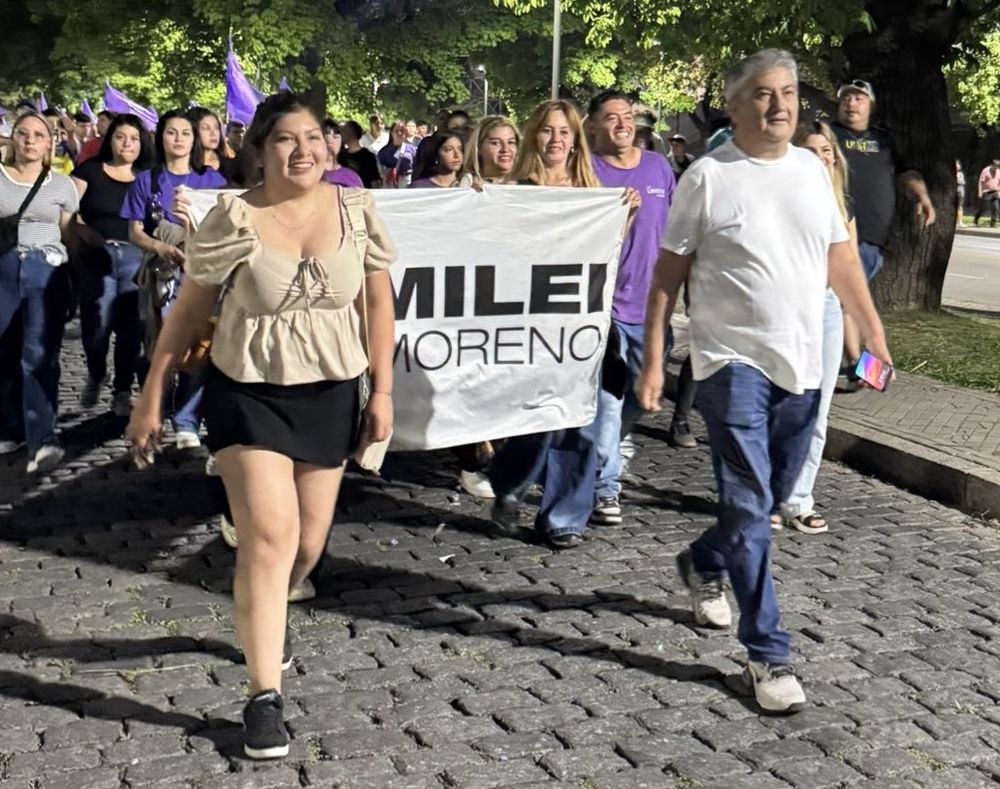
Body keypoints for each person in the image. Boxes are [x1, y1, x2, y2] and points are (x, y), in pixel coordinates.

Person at [127, 91, 396, 760]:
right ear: (260, 148)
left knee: (305, 548)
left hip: (332, 389)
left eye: (314, 136)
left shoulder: (357, 209)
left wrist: (384, 390)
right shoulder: (233, 216)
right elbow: (188, 311)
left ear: (330, 144)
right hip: (247, 390)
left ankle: (254, 557)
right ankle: (262, 696)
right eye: (285, 138)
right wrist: (153, 391)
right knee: (272, 541)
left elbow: (379, 301)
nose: (303, 149)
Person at [636, 50, 892, 714]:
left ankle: (702, 560)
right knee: (750, 506)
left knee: (769, 501)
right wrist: (657, 357)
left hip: (801, 363)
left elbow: (841, 258)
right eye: (762, 94)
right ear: (734, 103)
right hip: (730, 364)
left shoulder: (812, 170)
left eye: (788, 93)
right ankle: (768, 654)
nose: (779, 105)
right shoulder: (708, 177)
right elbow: (667, 276)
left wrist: (873, 334)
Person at [488, 99, 636, 549]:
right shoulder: (518, 189)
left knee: (582, 419)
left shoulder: (594, 193)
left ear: (575, 140)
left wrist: (623, 216)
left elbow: (606, 249)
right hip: (533, 320)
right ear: (536, 136)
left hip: (584, 319)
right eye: (548, 131)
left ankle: (564, 516)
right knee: (538, 415)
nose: (556, 139)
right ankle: (509, 481)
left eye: (564, 132)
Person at [586, 90, 675, 527]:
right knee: (607, 399)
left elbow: (678, 228)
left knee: (641, 399)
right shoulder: (586, 170)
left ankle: (611, 444)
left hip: (654, 307)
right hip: (605, 307)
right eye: (610, 117)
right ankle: (606, 488)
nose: (622, 123)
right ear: (593, 126)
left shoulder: (659, 166)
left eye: (627, 116)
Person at [122, 109, 227, 450]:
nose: (178, 139)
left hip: (203, 273)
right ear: (161, 137)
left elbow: (229, 228)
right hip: (163, 276)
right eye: (171, 132)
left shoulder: (213, 181)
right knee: (165, 345)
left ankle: (187, 420)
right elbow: (135, 230)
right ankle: (157, 408)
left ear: (195, 140)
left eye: (185, 132)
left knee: (199, 345)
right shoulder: (146, 181)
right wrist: (160, 246)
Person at [777, 120, 856, 535]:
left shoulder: (843, 205)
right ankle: (770, 494)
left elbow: (850, 271)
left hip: (825, 309)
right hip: (786, 308)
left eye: (827, 151)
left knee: (817, 410)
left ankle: (798, 498)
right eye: (811, 151)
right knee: (781, 403)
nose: (822, 158)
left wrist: (862, 337)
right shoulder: (783, 198)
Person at [831, 79, 934, 383]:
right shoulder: (827, 136)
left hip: (876, 240)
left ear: (871, 105)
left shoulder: (884, 141)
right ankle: (862, 369)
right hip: (841, 235)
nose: (852, 102)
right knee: (848, 300)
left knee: (847, 302)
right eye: (846, 97)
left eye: (859, 98)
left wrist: (922, 196)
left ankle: (857, 368)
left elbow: (905, 172)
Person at [0, 111, 80, 473]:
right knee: (5, 350)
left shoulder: (61, 185)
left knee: (38, 352)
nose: (30, 140)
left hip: (46, 270)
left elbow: (70, 234)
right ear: (12, 138)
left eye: (38, 135)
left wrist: (73, 278)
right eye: (23, 133)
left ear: (50, 143)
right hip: (4, 270)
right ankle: (10, 426)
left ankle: (43, 437)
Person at [71, 113, 153, 415]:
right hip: (97, 258)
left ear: (141, 143)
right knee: (96, 326)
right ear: (110, 140)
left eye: (133, 138)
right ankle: (96, 372)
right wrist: (81, 229)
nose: (127, 143)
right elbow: (67, 209)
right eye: (121, 137)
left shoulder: (147, 175)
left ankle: (121, 389)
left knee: (131, 330)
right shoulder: (89, 171)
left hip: (136, 258)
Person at [187, 107, 239, 183]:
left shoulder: (234, 166)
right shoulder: (182, 168)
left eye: (216, 128)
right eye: (205, 128)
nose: (213, 133)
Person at [338, 121, 382, 188]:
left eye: (344, 131)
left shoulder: (368, 156)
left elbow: (375, 180)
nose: (341, 134)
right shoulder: (340, 155)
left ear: (352, 132)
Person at [320, 119, 363, 188]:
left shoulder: (352, 177)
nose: (330, 141)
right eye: (325, 136)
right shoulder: (307, 175)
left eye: (335, 137)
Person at [376, 120, 417, 188]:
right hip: (389, 183)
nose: (399, 133)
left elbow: (416, 167)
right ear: (391, 133)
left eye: (402, 130)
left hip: (407, 183)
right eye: (396, 130)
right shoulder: (383, 152)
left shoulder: (411, 149)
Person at [974, 159, 1000, 227]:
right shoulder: (985, 170)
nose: (996, 168)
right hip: (986, 192)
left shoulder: (998, 171)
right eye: (995, 166)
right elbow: (980, 182)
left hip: (995, 192)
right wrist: (980, 192)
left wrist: (999, 191)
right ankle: (976, 218)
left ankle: (992, 223)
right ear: (992, 165)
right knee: (983, 208)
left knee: (996, 208)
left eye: (998, 167)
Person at [955, 160, 966, 227]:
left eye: (958, 164)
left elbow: (962, 182)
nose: (957, 166)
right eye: (956, 164)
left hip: (960, 192)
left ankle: (960, 222)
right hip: (953, 193)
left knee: (960, 207)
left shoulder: (960, 174)